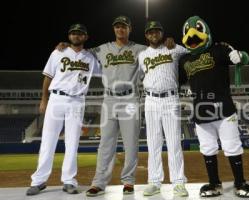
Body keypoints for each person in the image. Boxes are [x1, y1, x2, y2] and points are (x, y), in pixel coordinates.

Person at [56, 15, 176, 196]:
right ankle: (99, 182)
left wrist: (168, 42)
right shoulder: (101, 49)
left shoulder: (140, 49)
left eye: (124, 26)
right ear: (114, 29)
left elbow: (157, 50)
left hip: (130, 99)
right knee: (106, 143)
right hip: (109, 100)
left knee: (131, 143)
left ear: (129, 29)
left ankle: (128, 181)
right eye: (117, 27)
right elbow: (80, 52)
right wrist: (65, 47)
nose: (120, 29)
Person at [179, 16, 249, 198]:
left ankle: (239, 182)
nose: (193, 38)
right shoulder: (184, 60)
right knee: (207, 148)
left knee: (232, 146)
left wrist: (241, 56)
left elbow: (242, 58)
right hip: (201, 111)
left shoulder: (219, 49)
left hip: (224, 109)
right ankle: (214, 184)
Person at [26, 23, 101, 196]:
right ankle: (39, 181)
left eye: (80, 33)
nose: (76, 35)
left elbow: (107, 69)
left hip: (77, 101)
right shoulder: (58, 52)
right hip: (56, 99)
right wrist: (44, 99)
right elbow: (47, 77)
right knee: (48, 141)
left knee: (72, 142)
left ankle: (69, 181)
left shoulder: (90, 57)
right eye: (73, 33)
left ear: (86, 37)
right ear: (69, 36)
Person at [138, 21, 189, 197]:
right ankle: (154, 181)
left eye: (156, 31)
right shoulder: (142, 55)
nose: (153, 34)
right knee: (153, 143)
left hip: (171, 98)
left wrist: (176, 43)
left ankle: (179, 182)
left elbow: (193, 51)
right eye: (150, 32)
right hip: (150, 100)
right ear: (146, 35)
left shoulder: (173, 48)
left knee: (174, 142)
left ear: (162, 33)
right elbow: (136, 76)